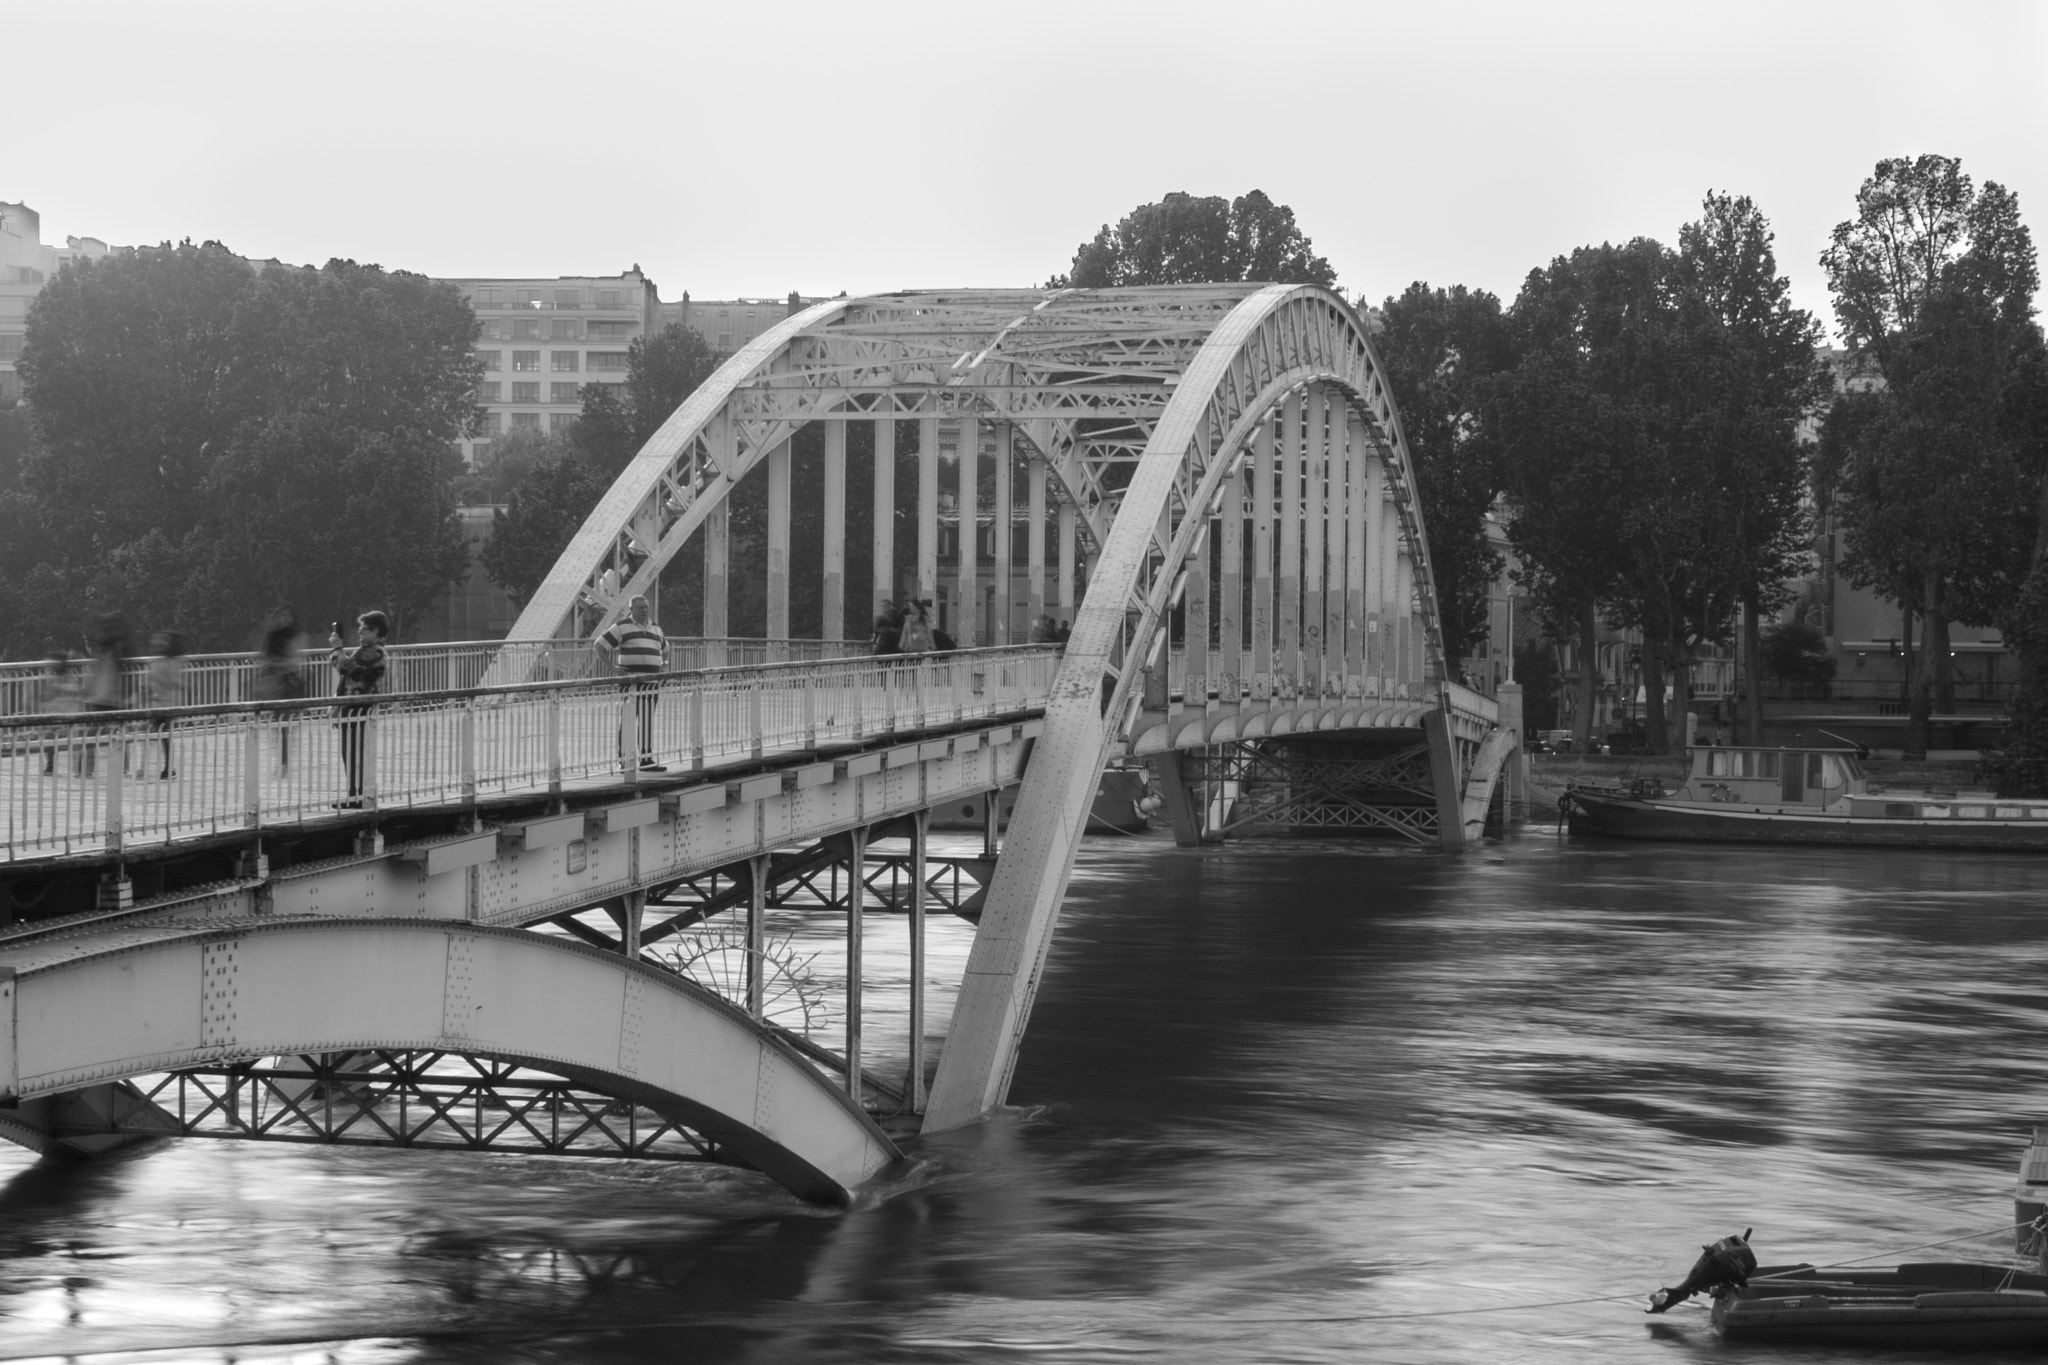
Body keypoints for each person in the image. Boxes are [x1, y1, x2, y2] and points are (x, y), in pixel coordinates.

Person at [596, 594, 667, 772]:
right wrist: (612, 668)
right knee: (628, 720)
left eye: (645, 607)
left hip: (651, 682)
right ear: (631, 610)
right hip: (631, 683)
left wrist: (665, 665)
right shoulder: (622, 627)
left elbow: (666, 649)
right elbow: (600, 645)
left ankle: (646, 759)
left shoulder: (656, 627)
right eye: (640, 608)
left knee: (647, 720)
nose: (644, 610)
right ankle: (624, 760)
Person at [329, 611, 390, 808]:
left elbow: (345, 668)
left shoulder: (375, 652)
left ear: (375, 631)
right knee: (350, 752)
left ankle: (358, 796)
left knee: (355, 753)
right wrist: (338, 705)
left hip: (359, 709)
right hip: (353, 708)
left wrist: (337, 648)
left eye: (363, 629)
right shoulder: (366, 650)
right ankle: (355, 795)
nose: (359, 632)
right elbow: (348, 678)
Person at [254, 619, 306, 773]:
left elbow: (292, 664)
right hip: (279, 689)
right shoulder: (277, 639)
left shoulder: (285, 640)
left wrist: (274, 664)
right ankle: (283, 762)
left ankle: (284, 763)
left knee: (283, 728)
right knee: (281, 728)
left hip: (286, 689)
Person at [146, 631, 187, 779]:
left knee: (163, 736)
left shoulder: (166, 663)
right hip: (159, 703)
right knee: (161, 736)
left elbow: (171, 681)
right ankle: (166, 768)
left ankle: (168, 768)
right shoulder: (160, 663)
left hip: (165, 704)